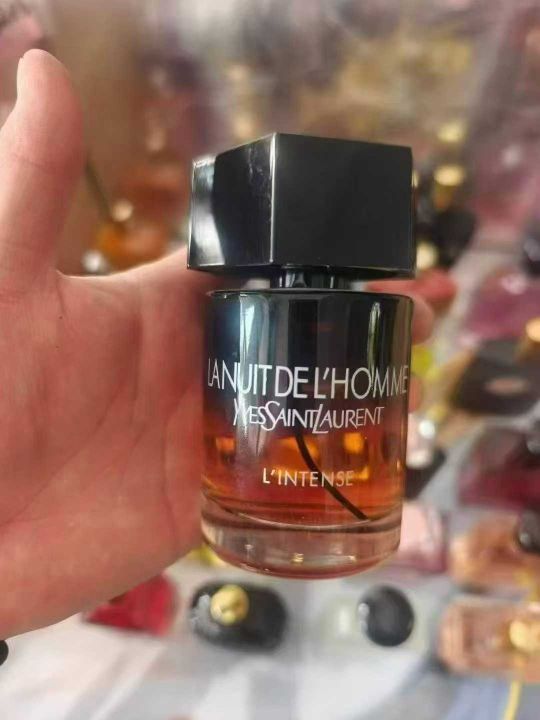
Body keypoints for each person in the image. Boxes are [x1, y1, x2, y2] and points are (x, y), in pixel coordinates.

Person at [0, 50, 433, 639]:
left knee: (359, 402)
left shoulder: (373, 309)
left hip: (344, 521)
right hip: (245, 513)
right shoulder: (236, 307)